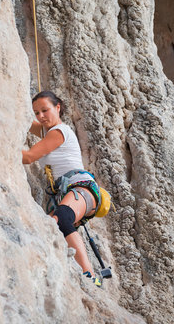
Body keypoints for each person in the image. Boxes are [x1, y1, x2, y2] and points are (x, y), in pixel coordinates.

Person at [22, 90, 102, 287]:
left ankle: (89, 274)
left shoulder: (59, 132)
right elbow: (22, 122)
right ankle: (75, 273)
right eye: (36, 113)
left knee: (60, 219)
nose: (40, 116)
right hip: (71, 192)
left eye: (45, 110)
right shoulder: (48, 130)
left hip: (81, 188)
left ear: (57, 107)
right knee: (53, 223)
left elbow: (29, 157)